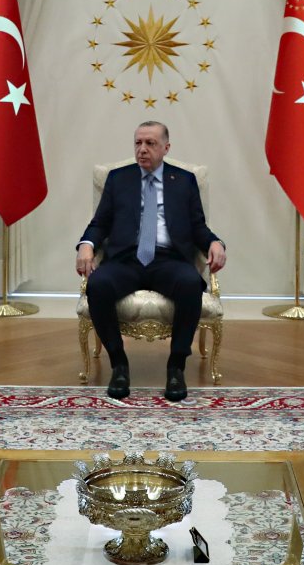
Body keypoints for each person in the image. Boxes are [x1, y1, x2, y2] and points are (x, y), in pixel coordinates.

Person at [76, 121, 226, 401]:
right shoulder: (118, 179)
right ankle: (119, 364)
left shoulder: (184, 180)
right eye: (138, 143)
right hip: (125, 259)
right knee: (98, 286)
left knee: (191, 284)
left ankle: (176, 367)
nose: (142, 150)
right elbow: (100, 223)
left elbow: (198, 227)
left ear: (166, 148)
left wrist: (214, 243)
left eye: (150, 144)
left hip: (168, 260)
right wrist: (86, 245)